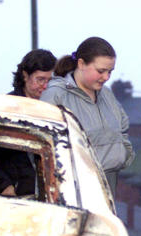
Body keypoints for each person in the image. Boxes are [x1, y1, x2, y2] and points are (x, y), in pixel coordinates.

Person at [40, 37, 134, 192]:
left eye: (110, 72)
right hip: (71, 191)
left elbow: (123, 127)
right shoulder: (55, 96)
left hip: (108, 187)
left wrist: (123, 155)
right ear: (81, 64)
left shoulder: (107, 95)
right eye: (101, 71)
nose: (106, 77)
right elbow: (44, 144)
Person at [0, 49, 56, 197]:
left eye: (50, 80)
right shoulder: (4, 111)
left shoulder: (54, 111)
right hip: (17, 199)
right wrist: (4, 188)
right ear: (25, 75)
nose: (45, 86)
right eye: (40, 79)